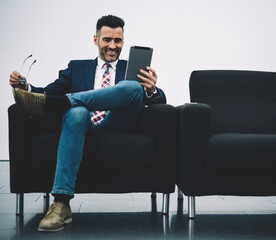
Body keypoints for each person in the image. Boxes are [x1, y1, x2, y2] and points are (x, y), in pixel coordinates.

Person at [9, 15, 166, 232]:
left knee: (132, 87)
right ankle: (61, 205)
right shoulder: (77, 67)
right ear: (96, 40)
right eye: (107, 40)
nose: (112, 46)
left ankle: (68, 100)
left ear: (123, 42)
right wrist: (25, 88)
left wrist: (151, 90)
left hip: (117, 126)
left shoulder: (133, 69)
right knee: (77, 112)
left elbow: (161, 100)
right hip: (83, 126)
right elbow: (47, 93)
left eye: (118, 41)